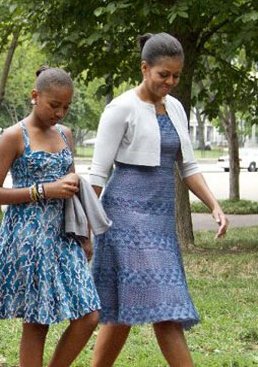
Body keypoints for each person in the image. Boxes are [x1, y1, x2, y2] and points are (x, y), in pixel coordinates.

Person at [89, 32, 229, 367]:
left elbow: (189, 166)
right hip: (124, 217)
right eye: (162, 74)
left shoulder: (177, 109)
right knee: (167, 308)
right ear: (144, 68)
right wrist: (82, 228)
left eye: (176, 76)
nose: (170, 81)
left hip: (161, 220)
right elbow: (96, 175)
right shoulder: (120, 108)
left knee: (121, 309)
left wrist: (214, 205)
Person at [0, 66, 101, 367]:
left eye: (66, 106)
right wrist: (44, 190)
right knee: (37, 322)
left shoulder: (65, 134)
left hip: (64, 234)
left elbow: (71, 185)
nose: (60, 112)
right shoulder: (13, 136)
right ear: (35, 96)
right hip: (28, 237)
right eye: (54, 105)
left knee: (89, 315)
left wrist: (85, 234)